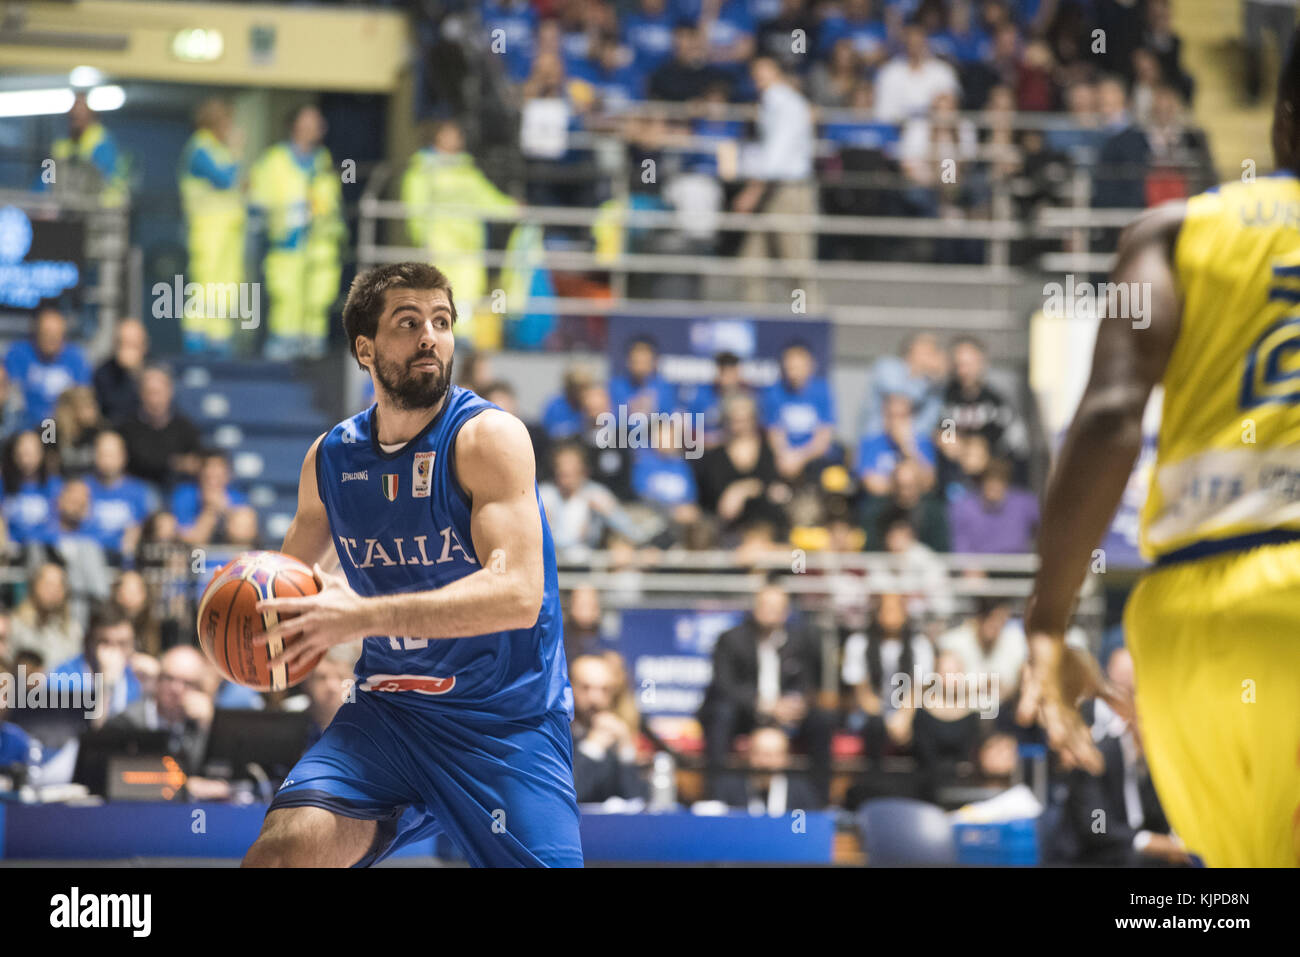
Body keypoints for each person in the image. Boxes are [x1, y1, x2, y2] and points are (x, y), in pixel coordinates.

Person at [1025, 33, 1300, 867]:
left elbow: (1109, 418)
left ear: (1284, 122)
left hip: (1190, 624)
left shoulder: (1175, 231)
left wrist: (1046, 618)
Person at [240, 262, 582, 868]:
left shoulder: (488, 439)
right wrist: (242, 625)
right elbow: (276, 588)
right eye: (409, 322)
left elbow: (518, 594)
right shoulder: (330, 461)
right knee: (281, 855)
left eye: (442, 321)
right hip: (388, 718)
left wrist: (360, 616)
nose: (431, 335)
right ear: (365, 349)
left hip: (504, 724)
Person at [401, 120, 517, 347]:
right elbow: (415, 204)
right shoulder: (423, 167)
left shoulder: (467, 169)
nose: (456, 139)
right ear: (438, 137)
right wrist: (420, 237)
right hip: (440, 242)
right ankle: (436, 338)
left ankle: (462, 339)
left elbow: (486, 198)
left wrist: (513, 209)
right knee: (438, 292)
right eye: (450, 134)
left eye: (458, 134)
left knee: (468, 292)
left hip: (469, 245)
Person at [248, 104, 345, 361]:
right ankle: (281, 353)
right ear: (295, 125)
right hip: (286, 244)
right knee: (286, 300)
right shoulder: (274, 160)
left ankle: (313, 352)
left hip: (319, 246)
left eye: (318, 122)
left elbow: (332, 204)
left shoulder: (324, 161)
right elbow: (259, 202)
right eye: (309, 121)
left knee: (318, 300)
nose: (316, 128)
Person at [178, 97, 246, 355]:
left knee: (226, 284)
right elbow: (223, 179)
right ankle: (194, 339)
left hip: (228, 229)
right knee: (205, 284)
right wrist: (237, 150)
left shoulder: (218, 148)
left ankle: (219, 338)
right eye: (227, 121)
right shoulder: (200, 147)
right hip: (206, 228)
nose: (230, 127)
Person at [569, 653, 647, 804]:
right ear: (570, 687)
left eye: (604, 689)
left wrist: (626, 750)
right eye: (586, 688)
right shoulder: (556, 734)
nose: (595, 698)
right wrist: (592, 748)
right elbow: (568, 796)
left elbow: (635, 801)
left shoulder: (614, 735)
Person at [4, 303, 91, 432]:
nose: (51, 338)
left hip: (64, 429)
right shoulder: (18, 354)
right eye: (47, 333)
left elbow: (83, 399)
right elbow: (10, 395)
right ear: (36, 333)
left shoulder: (76, 358)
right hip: (25, 427)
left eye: (56, 334)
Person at [115, 366, 202, 489]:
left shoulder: (185, 427)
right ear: (141, 394)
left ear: (170, 392)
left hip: (176, 490)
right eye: (150, 393)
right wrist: (175, 463)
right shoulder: (126, 428)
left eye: (159, 393)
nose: (155, 400)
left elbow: (196, 462)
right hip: (138, 489)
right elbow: (138, 463)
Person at [93, 318, 149, 424]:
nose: (127, 350)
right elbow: (112, 410)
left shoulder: (154, 370)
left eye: (133, 345)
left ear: (144, 346)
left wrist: (136, 373)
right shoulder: (103, 374)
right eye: (122, 344)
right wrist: (126, 374)